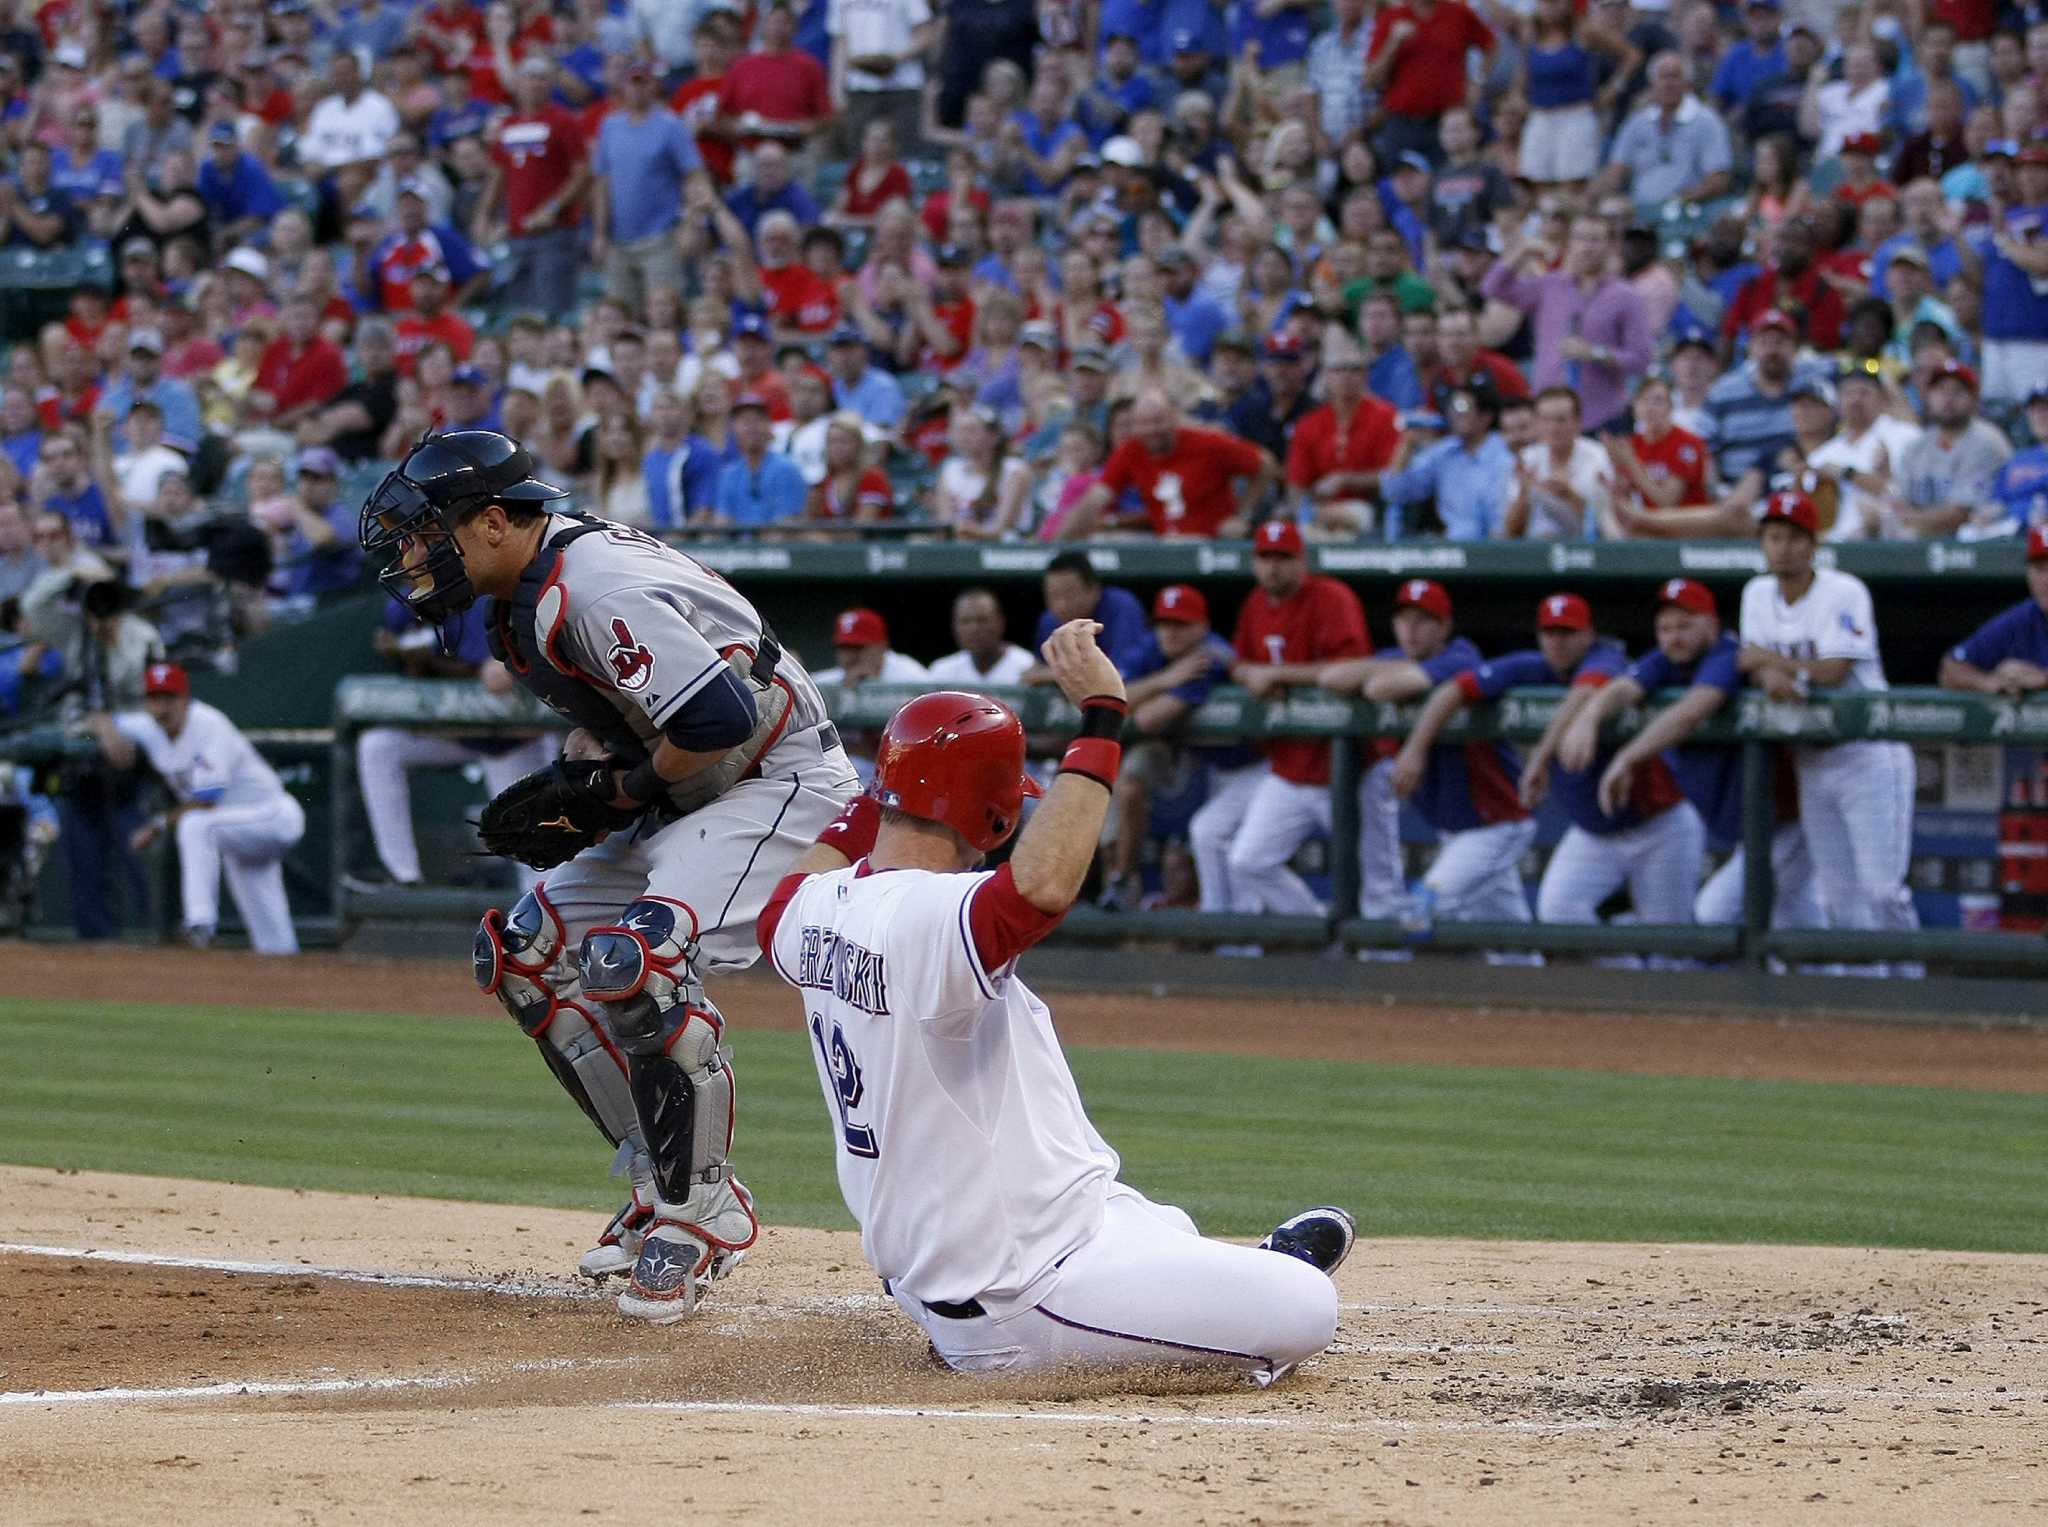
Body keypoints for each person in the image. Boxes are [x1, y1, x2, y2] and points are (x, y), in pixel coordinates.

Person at [358, 428, 859, 1316]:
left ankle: (702, 1215)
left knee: (639, 959)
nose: (413, 552)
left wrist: (613, 793)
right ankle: (662, 1177)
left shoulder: (589, 586)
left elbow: (714, 718)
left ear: (498, 521)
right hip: (699, 787)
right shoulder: (530, 585)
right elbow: (643, 712)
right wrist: (586, 770)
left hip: (776, 782)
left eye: (428, 529)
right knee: (524, 951)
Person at [755, 637, 1352, 1381]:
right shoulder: (931, 915)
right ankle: (1253, 1290)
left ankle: (1207, 1280)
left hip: (971, 1254)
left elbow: (781, 897)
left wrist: (868, 804)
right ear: (999, 820)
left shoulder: (809, 909)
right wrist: (1102, 719)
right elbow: (1038, 889)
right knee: (1304, 1306)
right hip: (1023, 1293)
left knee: (1148, 1219)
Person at [1562, 579, 1815, 928]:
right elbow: (1624, 687)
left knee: (1716, 913)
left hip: (1787, 826)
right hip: (1758, 829)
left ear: (1710, 624)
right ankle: (1844, 979)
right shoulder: (1669, 659)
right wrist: (1588, 717)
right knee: (1794, 921)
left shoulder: (1727, 653)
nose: (1673, 637)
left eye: (1684, 625)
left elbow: (1692, 711)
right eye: (1664, 628)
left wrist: (1626, 758)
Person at [1737, 490, 1918, 954]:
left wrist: (1770, 663)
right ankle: (1868, 990)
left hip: (1869, 755)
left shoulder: (1844, 590)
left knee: (1882, 891)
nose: (1784, 547)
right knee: (1838, 898)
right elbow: (1752, 668)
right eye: (1774, 536)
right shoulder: (1756, 593)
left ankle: (1911, 979)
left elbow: (1834, 672)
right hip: (1812, 761)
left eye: (1795, 537)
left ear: (1814, 544)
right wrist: (1766, 668)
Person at [1478, 593, 1706, 932]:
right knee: (1558, 912)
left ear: (1588, 634)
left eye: (1568, 633)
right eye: (1550, 633)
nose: (1558, 642)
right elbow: (1462, 686)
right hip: (1593, 833)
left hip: (1659, 826)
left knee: (1668, 944)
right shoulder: (1532, 666)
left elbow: (1586, 692)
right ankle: (1624, 976)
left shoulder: (1607, 657)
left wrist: (1540, 758)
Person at [1190, 522, 1373, 933]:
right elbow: (1242, 662)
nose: (1273, 568)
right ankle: (1320, 934)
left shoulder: (1331, 598)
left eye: (1283, 558)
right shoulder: (1256, 603)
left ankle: (1385, 958)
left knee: (1372, 877)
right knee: (1248, 861)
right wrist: (1245, 673)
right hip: (1290, 767)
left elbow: (1352, 670)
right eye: (1265, 558)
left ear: (1302, 561)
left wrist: (1278, 675)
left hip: (1347, 770)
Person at [1339, 580, 1535, 930]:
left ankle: (1398, 982)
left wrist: (1375, 675)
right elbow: (1334, 677)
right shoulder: (1396, 659)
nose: (1410, 630)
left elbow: (1379, 687)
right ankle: (1533, 979)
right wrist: (1379, 670)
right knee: (1509, 938)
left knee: (1420, 912)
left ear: (1444, 626)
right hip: (1456, 830)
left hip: (1496, 824)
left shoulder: (1461, 656)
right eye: (1403, 620)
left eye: (1423, 620)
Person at [85, 662, 304, 954]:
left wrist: (157, 825)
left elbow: (206, 800)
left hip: (272, 816)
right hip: (238, 833)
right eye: (154, 698)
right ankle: (289, 980)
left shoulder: (209, 725)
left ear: (185, 698)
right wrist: (107, 731)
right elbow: (100, 718)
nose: (161, 707)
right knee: (274, 945)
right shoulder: (150, 726)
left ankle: (199, 925)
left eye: (169, 698)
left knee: (197, 825)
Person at [352, 601, 556, 892]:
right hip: (455, 734)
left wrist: (508, 658)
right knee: (379, 746)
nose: (412, 563)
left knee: (536, 868)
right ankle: (403, 875)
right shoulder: (404, 603)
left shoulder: (483, 595)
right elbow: (419, 670)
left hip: (513, 742)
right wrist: (415, 658)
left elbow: (494, 674)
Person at [1481, 218, 1652, 434]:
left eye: (1595, 239)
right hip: (1549, 416)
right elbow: (1492, 288)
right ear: (1569, 244)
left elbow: (1641, 360)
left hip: (1602, 419)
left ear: (1610, 246)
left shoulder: (1625, 296)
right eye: (1580, 238)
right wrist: (1521, 252)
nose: (1587, 247)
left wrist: (1595, 353)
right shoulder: (1550, 286)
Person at [1063, 390, 1277, 539]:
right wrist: (1057, 542)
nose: (1152, 430)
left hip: (1213, 541)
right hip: (1165, 542)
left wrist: (1242, 515)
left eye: (1158, 421)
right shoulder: (1131, 451)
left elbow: (1266, 464)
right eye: (1144, 423)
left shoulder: (1208, 443)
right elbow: (1095, 499)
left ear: (1173, 418)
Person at [591, 60, 704, 312]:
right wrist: (599, 233)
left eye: (644, 82)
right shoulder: (610, 126)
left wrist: (691, 223)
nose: (638, 89)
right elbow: (601, 182)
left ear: (654, 86)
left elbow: (694, 176)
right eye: (633, 82)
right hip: (619, 239)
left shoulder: (670, 125)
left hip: (660, 237)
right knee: (620, 313)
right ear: (623, 87)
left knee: (664, 312)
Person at [489, 55, 590, 319]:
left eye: (541, 78)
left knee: (553, 310)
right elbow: (499, 173)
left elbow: (582, 173)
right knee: (521, 314)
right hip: (517, 232)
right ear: (518, 84)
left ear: (551, 84)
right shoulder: (508, 125)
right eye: (529, 78)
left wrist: (552, 208)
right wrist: (483, 215)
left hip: (554, 231)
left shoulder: (564, 120)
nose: (534, 84)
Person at [1288, 330, 1400, 537]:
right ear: (1326, 376)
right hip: (1319, 512)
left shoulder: (1385, 415)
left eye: (1355, 369)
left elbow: (1394, 475)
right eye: (1339, 370)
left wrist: (1346, 480)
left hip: (1369, 508)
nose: (1347, 377)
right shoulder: (1309, 423)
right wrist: (1303, 511)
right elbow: (1297, 484)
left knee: (1355, 518)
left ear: (1365, 375)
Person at [1376, 381, 1518, 539]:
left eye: (1462, 408)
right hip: (1454, 547)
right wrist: (1407, 444)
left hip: (1499, 546)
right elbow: (1394, 492)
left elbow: (1506, 518)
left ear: (1485, 417)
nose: (1454, 415)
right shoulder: (1443, 452)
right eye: (1451, 408)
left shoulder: (1506, 452)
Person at [1891, 360, 2012, 539]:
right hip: (1922, 538)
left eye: (1957, 391)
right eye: (1940, 391)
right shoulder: (1916, 446)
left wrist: (1911, 519)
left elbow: (1959, 515)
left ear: (1974, 398)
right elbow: (1898, 502)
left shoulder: (1986, 442)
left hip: (1977, 543)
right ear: (1928, 396)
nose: (1948, 399)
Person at [1940, 525, 2048, 696]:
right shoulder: (2024, 617)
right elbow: (1950, 669)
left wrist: (2043, 678)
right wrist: (1995, 683)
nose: (2046, 580)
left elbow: (2041, 678)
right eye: (2039, 569)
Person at [1506, 387, 1613, 539]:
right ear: (1536, 423)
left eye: (1561, 420)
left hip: (1585, 550)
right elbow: (1511, 532)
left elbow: (1604, 526)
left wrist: (1569, 495)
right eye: (1546, 420)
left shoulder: (1597, 457)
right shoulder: (1527, 458)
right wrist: (1524, 493)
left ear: (1577, 422)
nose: (1553, 428)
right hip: (1534, 551)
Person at [1026, 552, 1151, 682]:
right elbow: (1032, 674)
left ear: (1093, 589)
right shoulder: (1049, 619)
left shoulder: (1120, 606)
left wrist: (1056, 673)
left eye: (1069, 594)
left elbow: (1119, 672)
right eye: (1054, 595)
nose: (1061, 605)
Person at [928, 588, 1034, 688]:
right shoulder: (942, 671)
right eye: (965, 621)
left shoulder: (1028, 666)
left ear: (1000, 623)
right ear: (954, 626)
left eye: (982, 620)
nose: (974, 629)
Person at [812, 607, 931, 689]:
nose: (850, 656)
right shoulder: (828, 682)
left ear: (882, 647)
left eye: (858, 647)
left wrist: (875, 687)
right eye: (844, 648)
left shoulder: (911, 675)